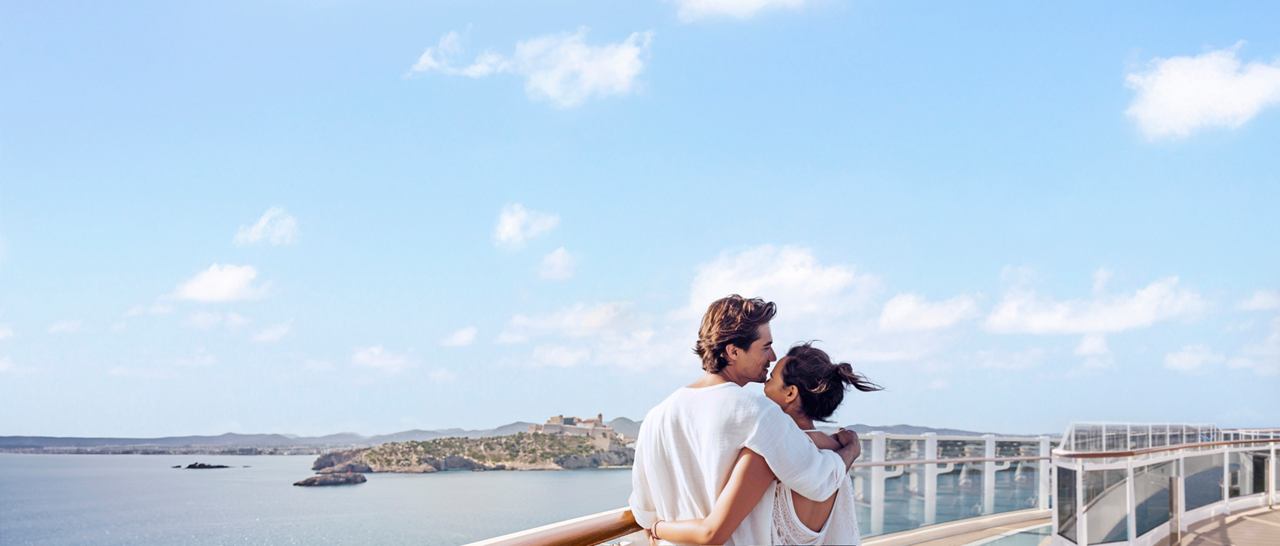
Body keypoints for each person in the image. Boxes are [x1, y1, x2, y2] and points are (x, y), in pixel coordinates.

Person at [628, 295, 864, 545]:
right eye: (765, 346)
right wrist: (851, 449)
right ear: (733, 351)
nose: (772, 356)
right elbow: (820, 479)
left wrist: (659, 529)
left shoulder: (654, 419)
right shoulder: (757, 413)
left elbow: (643, 512)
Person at [650, 343, 883, 545]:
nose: (764, 385)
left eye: (771, 380)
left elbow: (713, 531)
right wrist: (852, 448)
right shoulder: (836, 449)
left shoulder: (767, 450)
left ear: (790, 393)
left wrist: (657, 527)